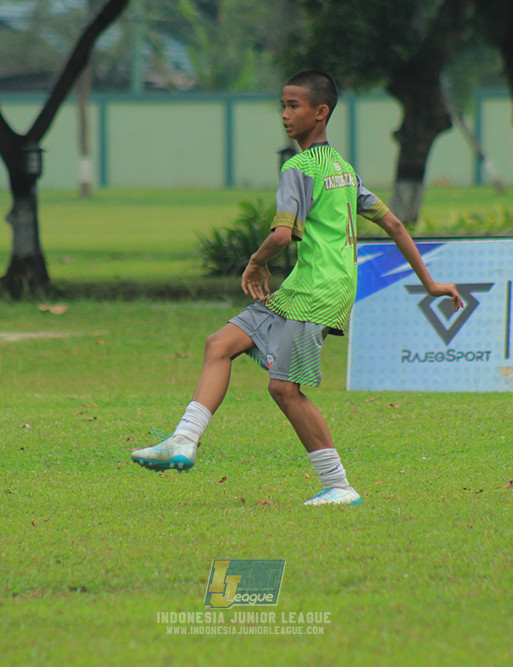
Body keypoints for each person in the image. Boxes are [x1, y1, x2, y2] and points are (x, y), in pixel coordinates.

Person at [131, 70, 463, 506]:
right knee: (220, 344)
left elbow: (282, 235)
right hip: (307, 287)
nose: (285, 115)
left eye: (294, 106)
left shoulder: (297, 168)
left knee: (284, 390)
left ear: (320, 112)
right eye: (283, 106)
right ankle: (184, 440)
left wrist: (255, 262)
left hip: (316, 292)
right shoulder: (342, 169)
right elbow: (395, 224)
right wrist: (430, 283)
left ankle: (339, 486)